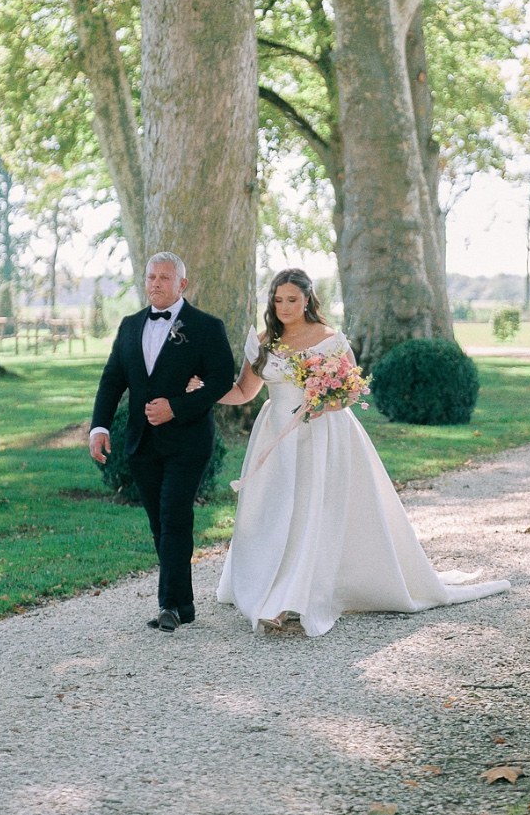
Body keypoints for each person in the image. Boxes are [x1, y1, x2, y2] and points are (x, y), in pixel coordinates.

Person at [215, 267, 508, 638]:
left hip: (324, 436)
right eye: (277, 300)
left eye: (292, 299)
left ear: (307, 299)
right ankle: (268, 586)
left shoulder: (331, 339)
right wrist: (203, 391)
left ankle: (289, 598)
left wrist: (326, 404)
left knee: (313, 511)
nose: (284, 307)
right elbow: (244, 393)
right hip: (276, 438)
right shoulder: (263, 342)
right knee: (274, 512)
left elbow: (352, 390)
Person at [89, 253, 235, 632]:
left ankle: (168, 604)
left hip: (188, 442)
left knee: (173, 515)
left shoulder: (206, 327)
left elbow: (221, 380)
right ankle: (183, 603)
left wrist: (178, 407)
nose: (155, 283)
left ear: (182, 284)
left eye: (164, 278)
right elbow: (112, 380)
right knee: (159, 522)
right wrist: (99, 427)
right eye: (151, 277)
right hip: (141, 442)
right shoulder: (130, 325)